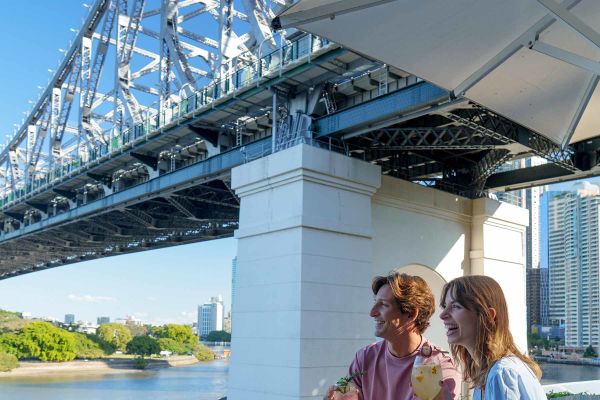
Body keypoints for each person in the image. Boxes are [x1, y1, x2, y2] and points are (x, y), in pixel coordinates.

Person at [325, 272, 462, 400]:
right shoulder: (365, 358)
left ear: (411, 314)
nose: (372, 312)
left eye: (384, 305)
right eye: (375, 303)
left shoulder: (439, 367)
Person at [439, 275, 547, 400]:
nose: (442, 315)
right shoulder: (489, 372)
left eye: (456, 306)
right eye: (445, 306)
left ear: (488, 316)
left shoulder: (501, 373)